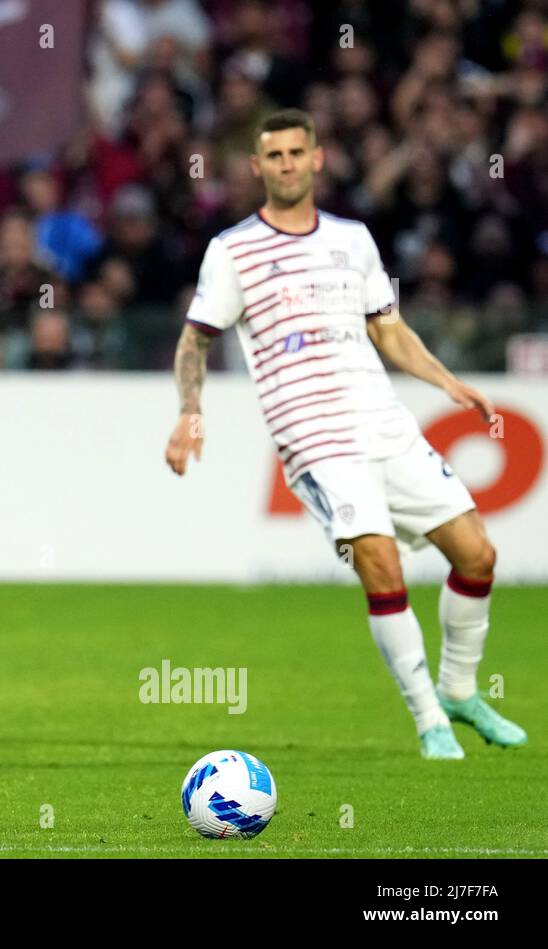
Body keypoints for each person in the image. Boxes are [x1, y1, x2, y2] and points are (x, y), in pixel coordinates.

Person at [164, 108, 526, 760]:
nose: (286, 164)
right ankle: (427, 722)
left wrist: (447, 382)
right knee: (382, 565)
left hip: (384, 423)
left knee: (478, 555)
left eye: (297, 152)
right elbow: (195, 340)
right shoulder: (233, 249)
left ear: (317, 158)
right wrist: (191, 413)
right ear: (256, 167)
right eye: (273, 156)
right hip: (314, 439)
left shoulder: (353, 239)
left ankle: (460, 692)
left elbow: (387, 328)